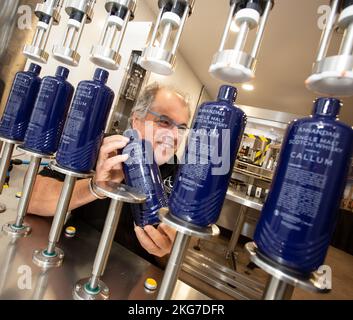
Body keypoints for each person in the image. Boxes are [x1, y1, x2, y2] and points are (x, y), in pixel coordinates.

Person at [28, 83, 191, 265]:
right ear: (136, 120)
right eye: (164, 122)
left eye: (182, 128)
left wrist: (166, 249)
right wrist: (95, 186)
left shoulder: (183, 175)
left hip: (136, 276)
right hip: (72, 258)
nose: (175, 135)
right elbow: (31, 199)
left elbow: (177, 255)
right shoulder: (102, 148)